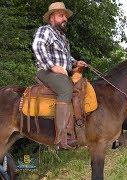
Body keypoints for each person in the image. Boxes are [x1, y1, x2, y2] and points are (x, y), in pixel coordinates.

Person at [32, 2, 86, 149]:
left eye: (65, 16)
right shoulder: (45, 30)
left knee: (80, 88)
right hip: (46, 71)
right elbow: (38, 46)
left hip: (61, 73)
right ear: (51, 18)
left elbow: (67, 58)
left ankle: (76, 131)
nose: (65, 19)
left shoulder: (63, 38)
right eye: (61, 15)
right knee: (65, 89)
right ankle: (62, 139)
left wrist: (76, 63)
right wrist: (52, 66)